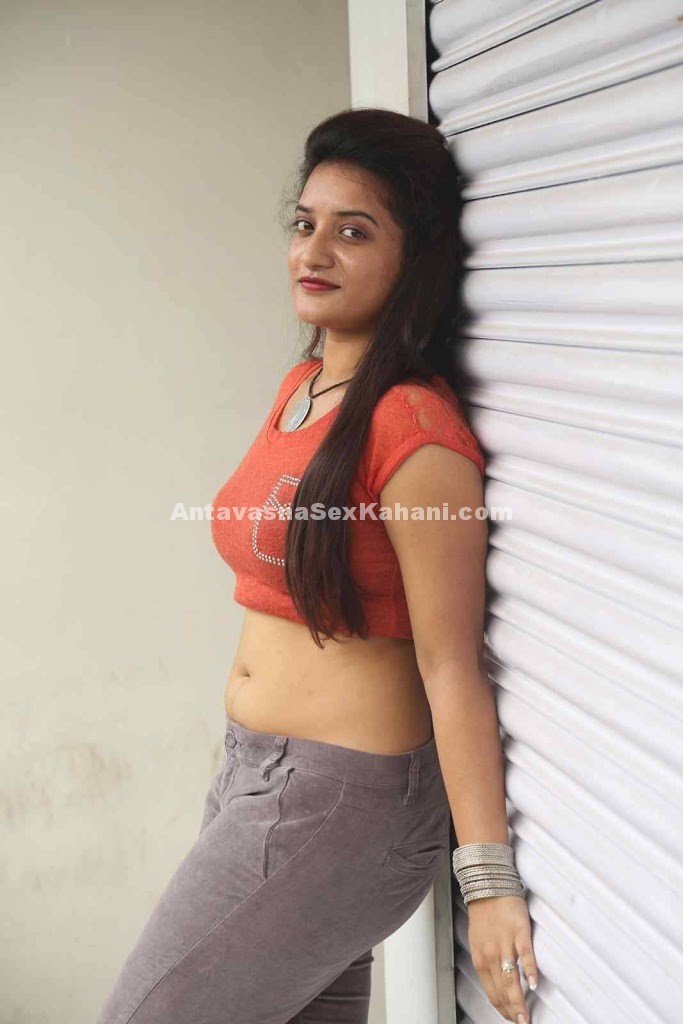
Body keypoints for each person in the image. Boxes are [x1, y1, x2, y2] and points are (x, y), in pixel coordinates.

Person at [96, 107, 537, 1024]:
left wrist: (488, 883)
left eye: (353, 231)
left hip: (341, 804)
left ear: (413, 258)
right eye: (305, 224)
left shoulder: (415, 434)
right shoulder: (303, 386)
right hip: (253, 775)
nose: (314, 251)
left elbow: (451, 664)